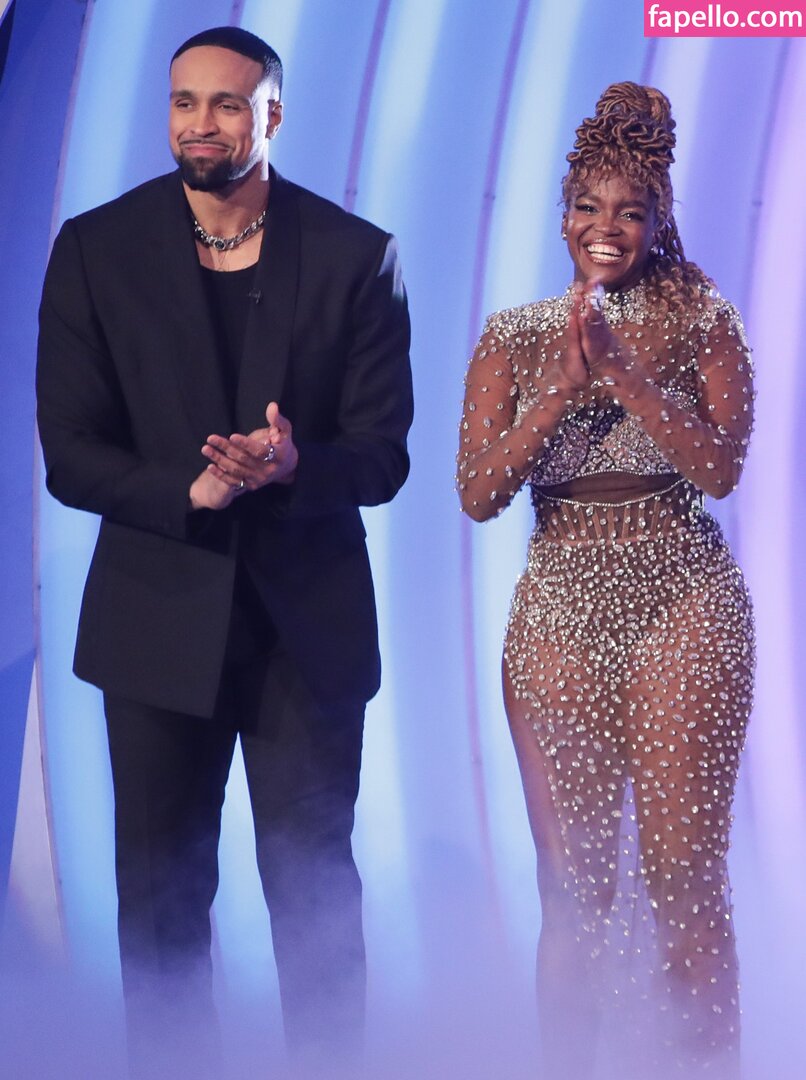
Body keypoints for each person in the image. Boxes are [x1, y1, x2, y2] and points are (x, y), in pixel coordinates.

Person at [36, 26, 412, 1079]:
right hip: (156, 619)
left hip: (306, 633)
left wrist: (295, 465)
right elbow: (71, 452)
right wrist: (186, 490)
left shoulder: (355, 254)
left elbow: (382, 454)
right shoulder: (97, 249)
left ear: (272, 115)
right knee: (160, 901)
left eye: (227, 104)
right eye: (183, 102)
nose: (200, 124)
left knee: (314, 895)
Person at [458, 83, 754, 1080]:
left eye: (629, 211)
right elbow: (477, 492)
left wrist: (625, 374)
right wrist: (558, 388)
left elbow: (719, 469)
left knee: (682, 877)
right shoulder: (512, 335)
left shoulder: (705, 321)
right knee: (572, 890)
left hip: (682, 602)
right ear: (561, 216)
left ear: (659, 219)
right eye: (587, 206)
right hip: (558, 609)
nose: (605, 228)